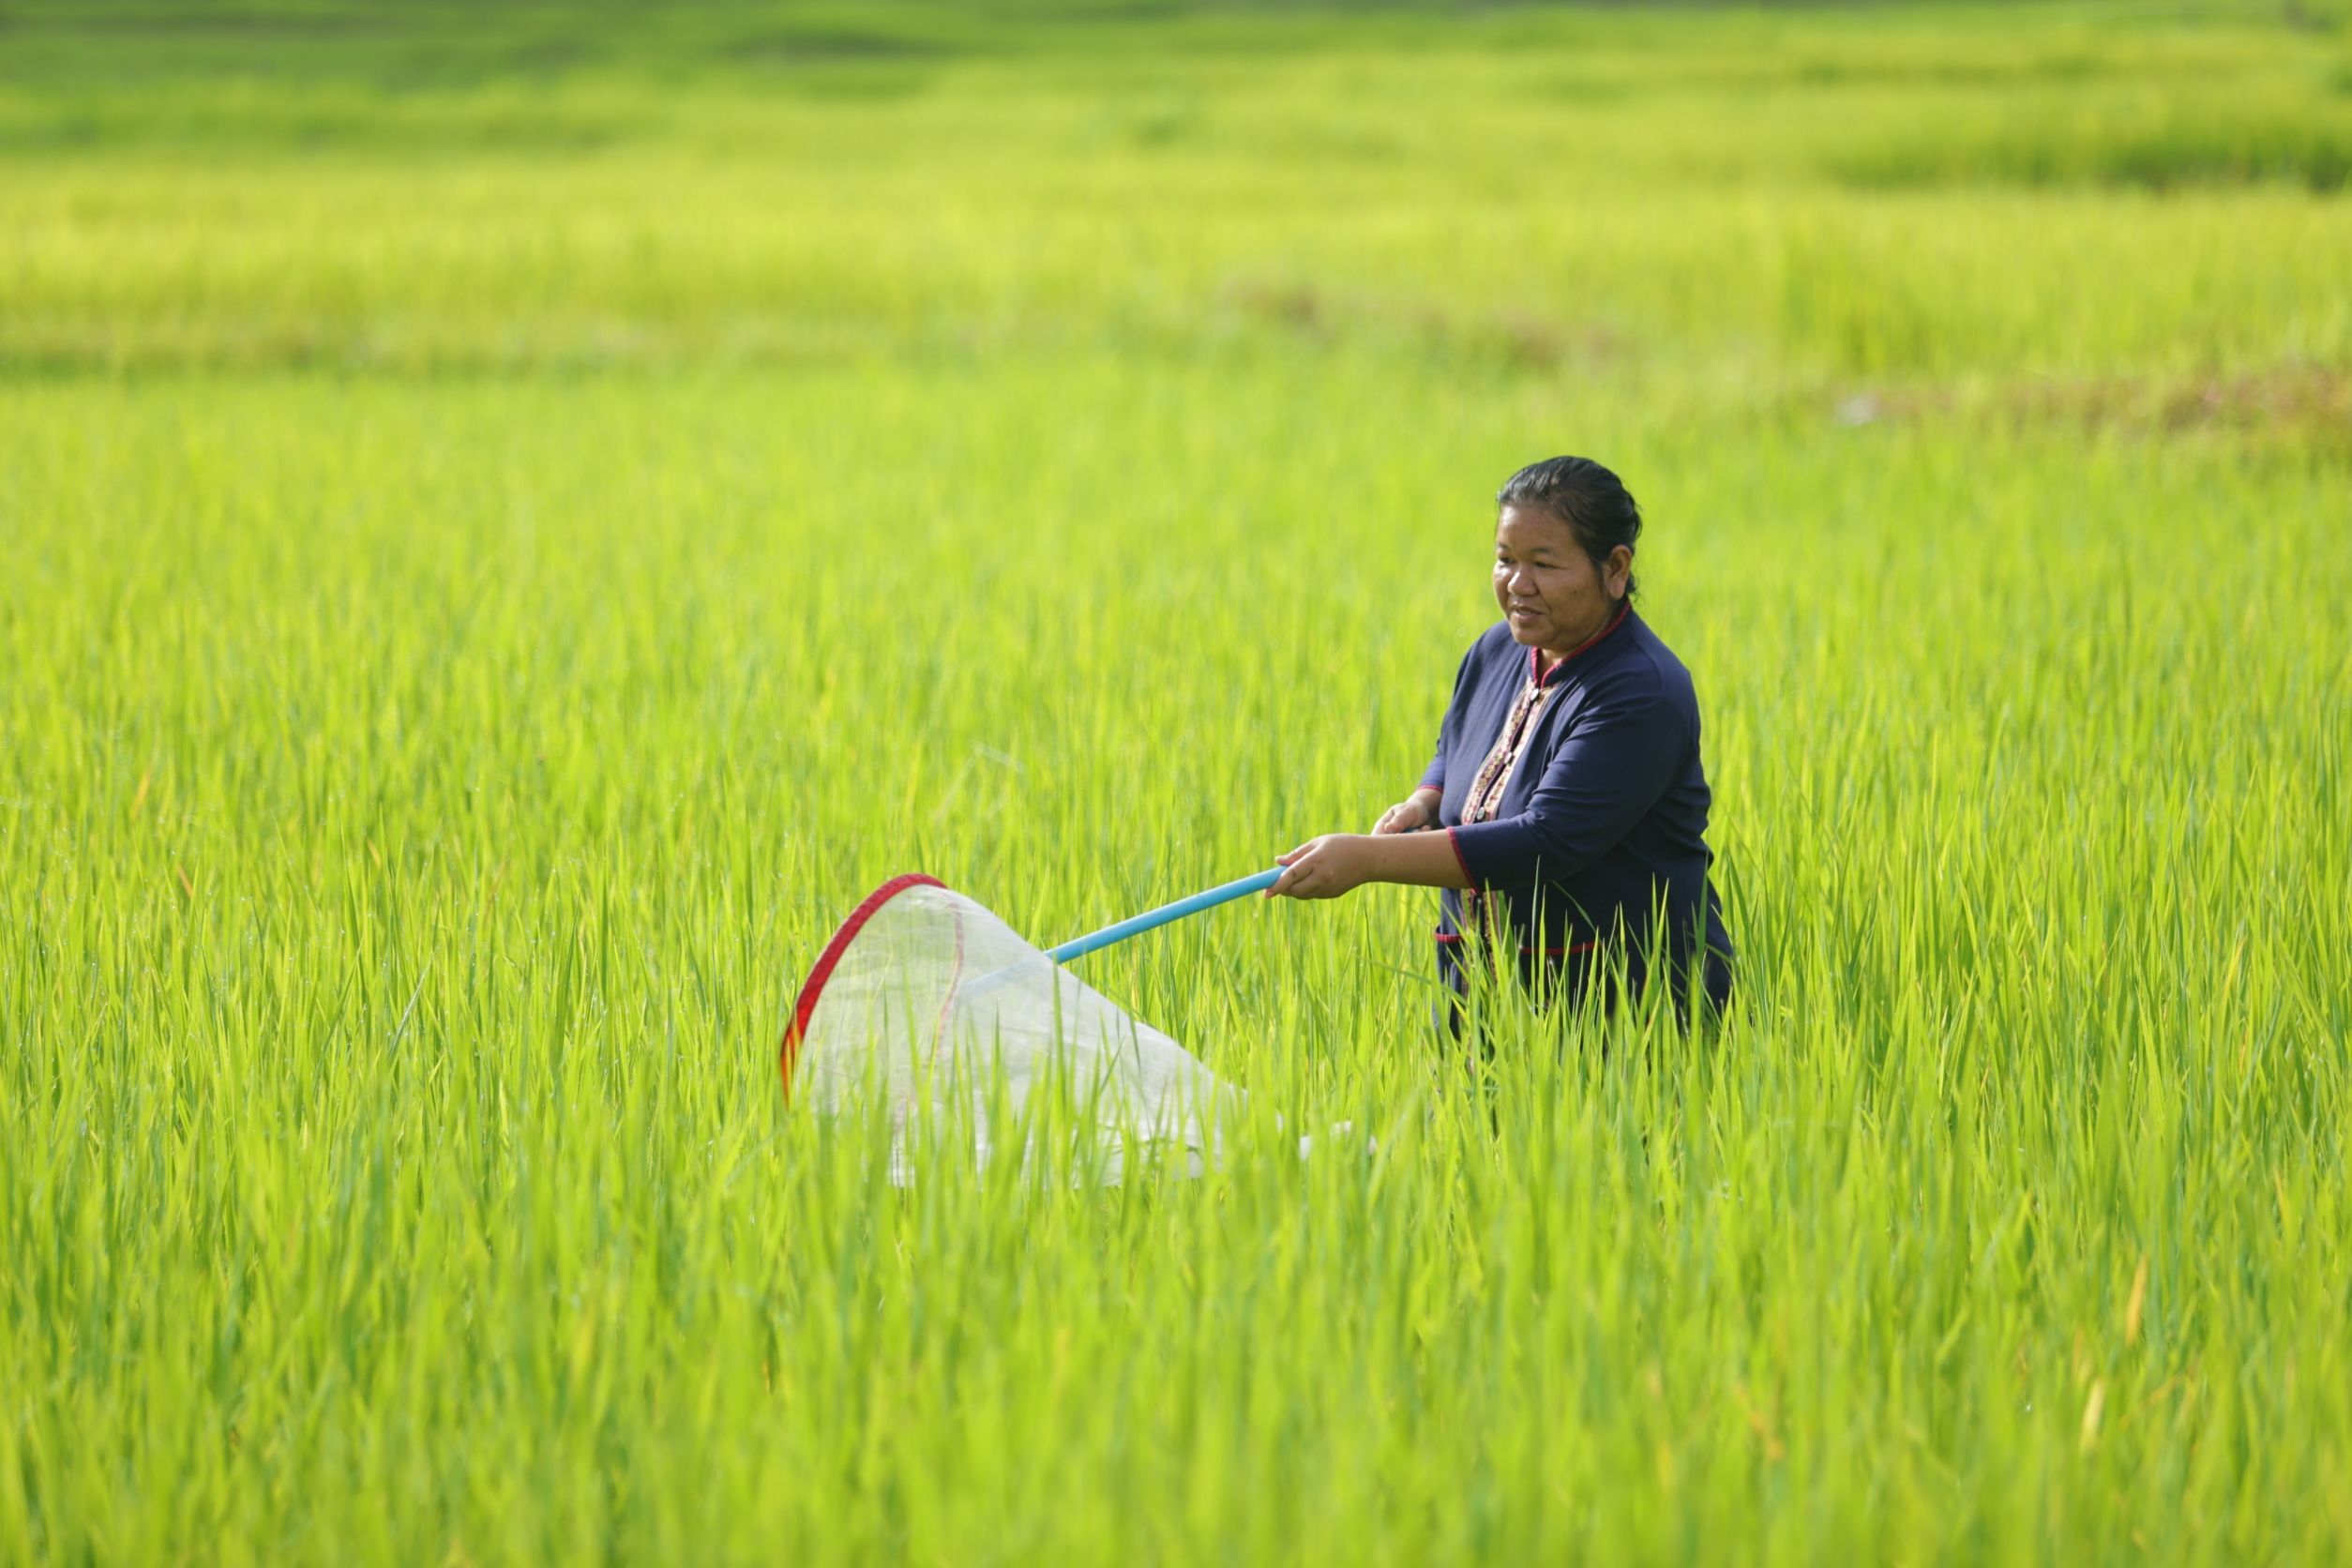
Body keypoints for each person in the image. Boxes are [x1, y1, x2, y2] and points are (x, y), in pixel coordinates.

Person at [1267, 455, 1733, 1025]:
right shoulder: (1497, 651)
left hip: (1619, 1009)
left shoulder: (1641, 692)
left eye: (1543, 563)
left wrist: (1367, 859)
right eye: (1505, 560)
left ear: (1614, 568)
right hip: (1480, 991)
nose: (1518, 584)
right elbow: (1456, 748)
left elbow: (1545, 842)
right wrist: (1425, 800)